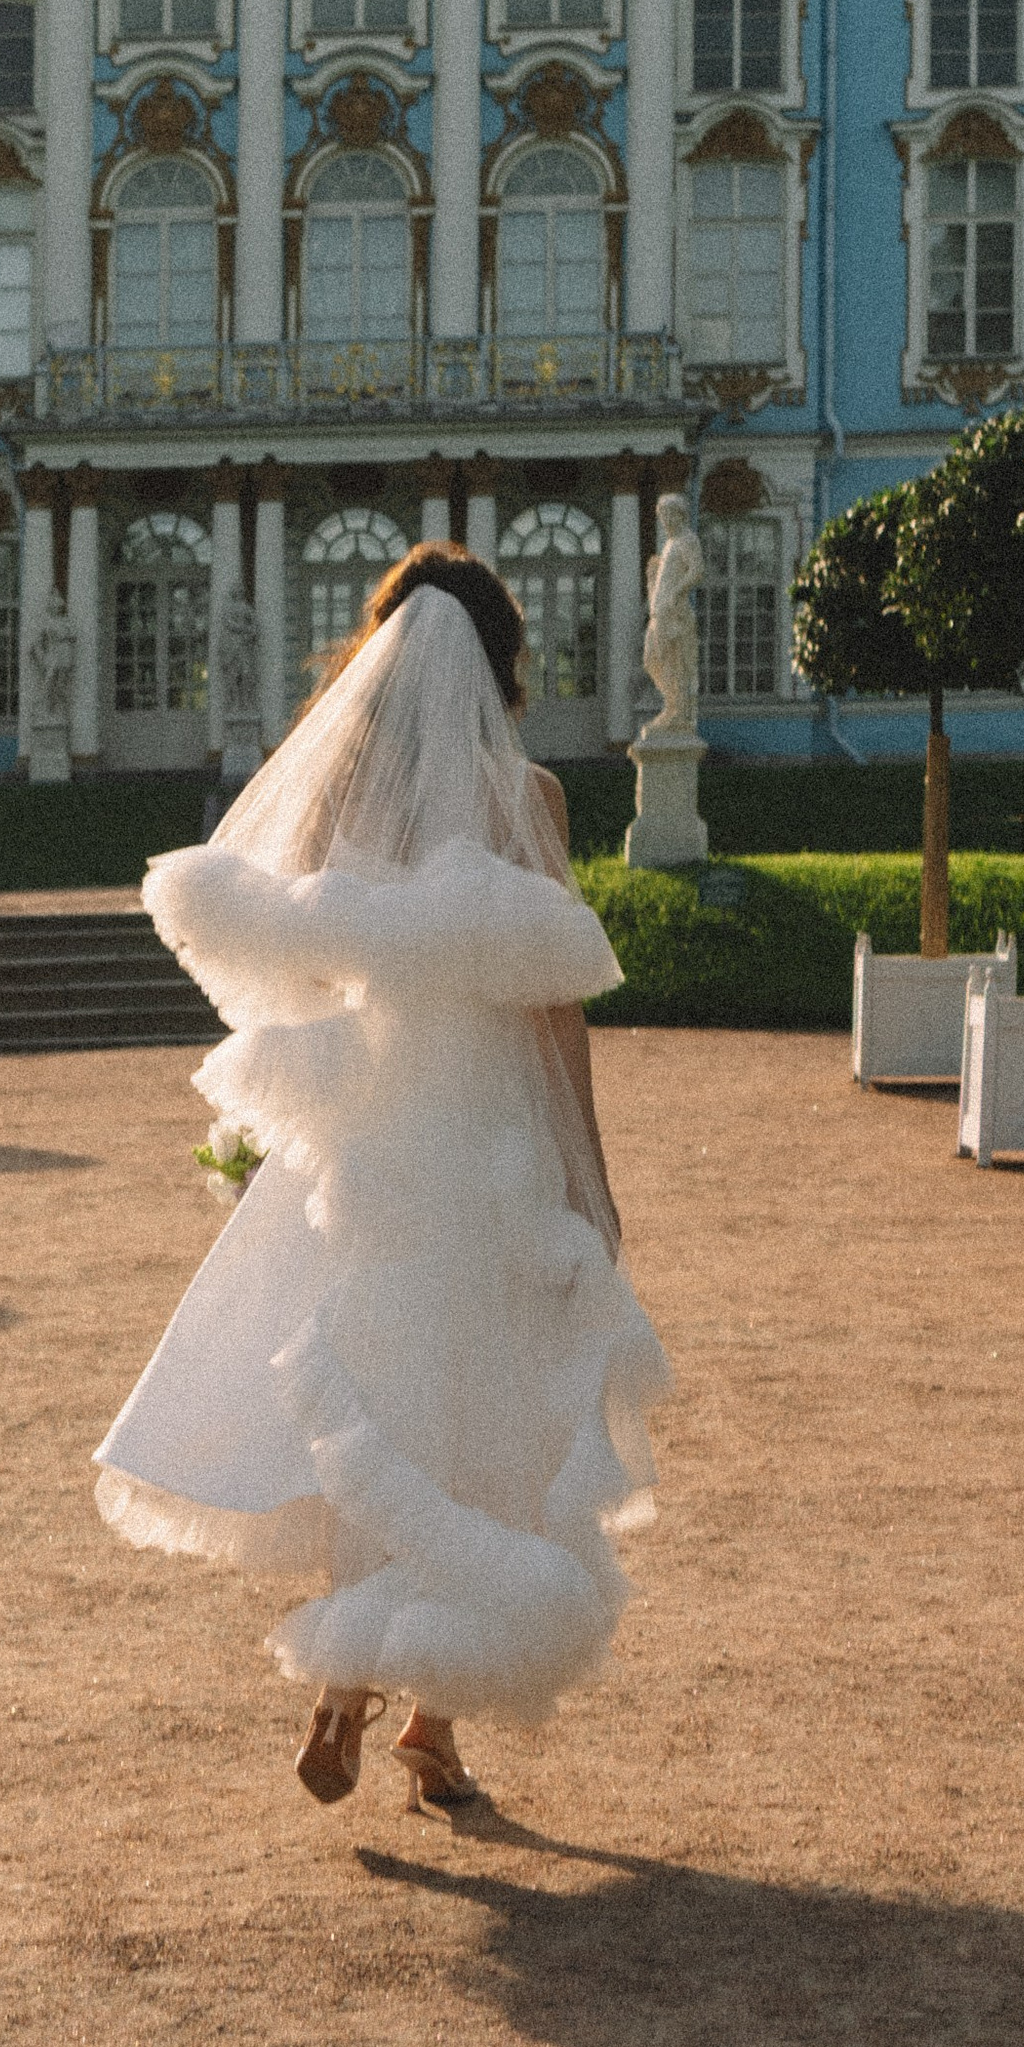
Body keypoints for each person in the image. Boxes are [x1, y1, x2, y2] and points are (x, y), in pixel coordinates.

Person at [93, 544, 668, 1816]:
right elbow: (557, 1018)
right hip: (493, 1154)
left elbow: (296, 989)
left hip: (374, 1159)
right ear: (502, 655)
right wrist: (591, 1174)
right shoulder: (525, 803)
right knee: (493, 1431)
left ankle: (343, 1690)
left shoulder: (350, 808)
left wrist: (281, 1119)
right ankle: (430, 1725)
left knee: (378, 1409)